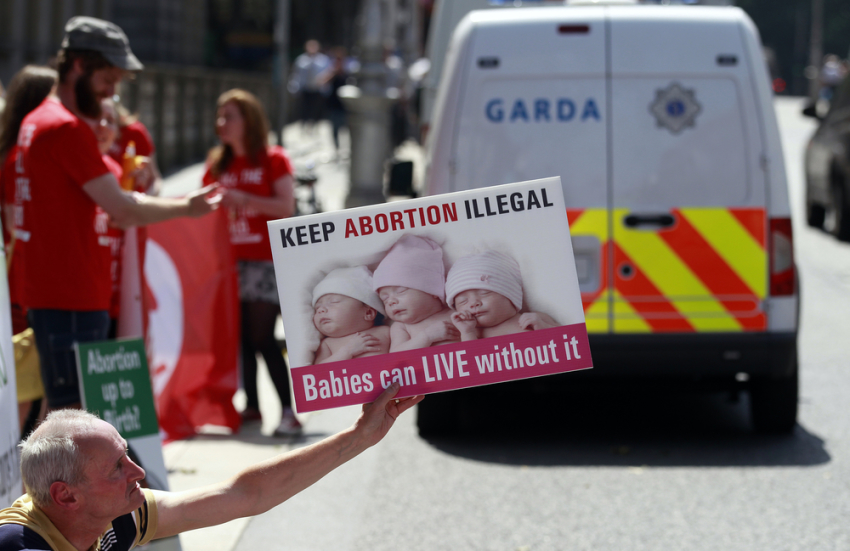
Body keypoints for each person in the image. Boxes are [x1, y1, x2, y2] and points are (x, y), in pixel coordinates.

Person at [15, 16, 219, 414]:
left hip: (58, 290)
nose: (112, 92)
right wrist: (188, 207)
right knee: (70, 418)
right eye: (108, 79)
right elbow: (123, 209)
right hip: (70, 294)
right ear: (79, 66)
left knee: (59, 415)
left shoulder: (38, 119)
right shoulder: (65, 128)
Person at [0, 386, 422, 551]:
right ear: (65, 496)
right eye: (117, 468)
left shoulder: (110, 514)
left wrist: (359, 437)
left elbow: (244, 496)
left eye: (128, 454)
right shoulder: (18, 545)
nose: (138, 473)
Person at [201, 89, 298, 435]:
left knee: (261, 337)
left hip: (264, 261)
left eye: (230, 116)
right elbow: (198, 209)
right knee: (239, 337)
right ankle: (253, 407)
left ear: (249, 121)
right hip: (228, 265)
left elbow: (285, 206)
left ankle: (288, 411)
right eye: (220, 116)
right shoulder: (217, 164)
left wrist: (241, 198)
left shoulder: (273, 159)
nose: (221, 123)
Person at [0, 65, 59, 435]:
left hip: (23, 272)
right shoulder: (23, 157)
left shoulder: (10, 154)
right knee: (28, 380)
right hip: (28, 274)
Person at [372, 234, 459, 352]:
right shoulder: (401, 327)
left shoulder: (455, 314)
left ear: (432, 290)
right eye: (385, 299)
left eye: (400, 291)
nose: (391, 301)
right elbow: (396, 356)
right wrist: (427, 337)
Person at [445, 250, 558, 340]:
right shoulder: (473, 334)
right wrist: (467, 332)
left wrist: (543, 328)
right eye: (463, 301)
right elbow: (472, 362)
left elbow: (569, 341)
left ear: (510, 295)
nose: (474, 303)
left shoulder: (535, 318)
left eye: (485, 292)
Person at [311, 266, 390, 364]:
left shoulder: (386, 332)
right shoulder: (327, 344)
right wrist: (347, 351)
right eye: (317, 308)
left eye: (333, 302)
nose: (321, 310)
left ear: (368, 313)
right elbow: (318, 373)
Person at [107, 99, 161, 195]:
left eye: (109, 120)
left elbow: (155, 179)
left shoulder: (134, 132)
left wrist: (144, 201)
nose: (102, 125)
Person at [289, 39, 330, 136]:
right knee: (304, 108)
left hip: (318, 89)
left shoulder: (323, 60)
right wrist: (294, 87)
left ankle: (315, 126)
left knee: (316, 109)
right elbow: (296, 74)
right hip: (305, 88)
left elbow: (327, 73)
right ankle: (304, 126)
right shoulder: (301, 60)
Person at [317, 48, 350, 158]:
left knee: (347, 130)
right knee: (334, 130)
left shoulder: (348, 73)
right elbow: (321, 82)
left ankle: (347, 150)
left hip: (346, 107)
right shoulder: (331, 72)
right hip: (334, 106)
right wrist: (333, 73)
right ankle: (337, 149)